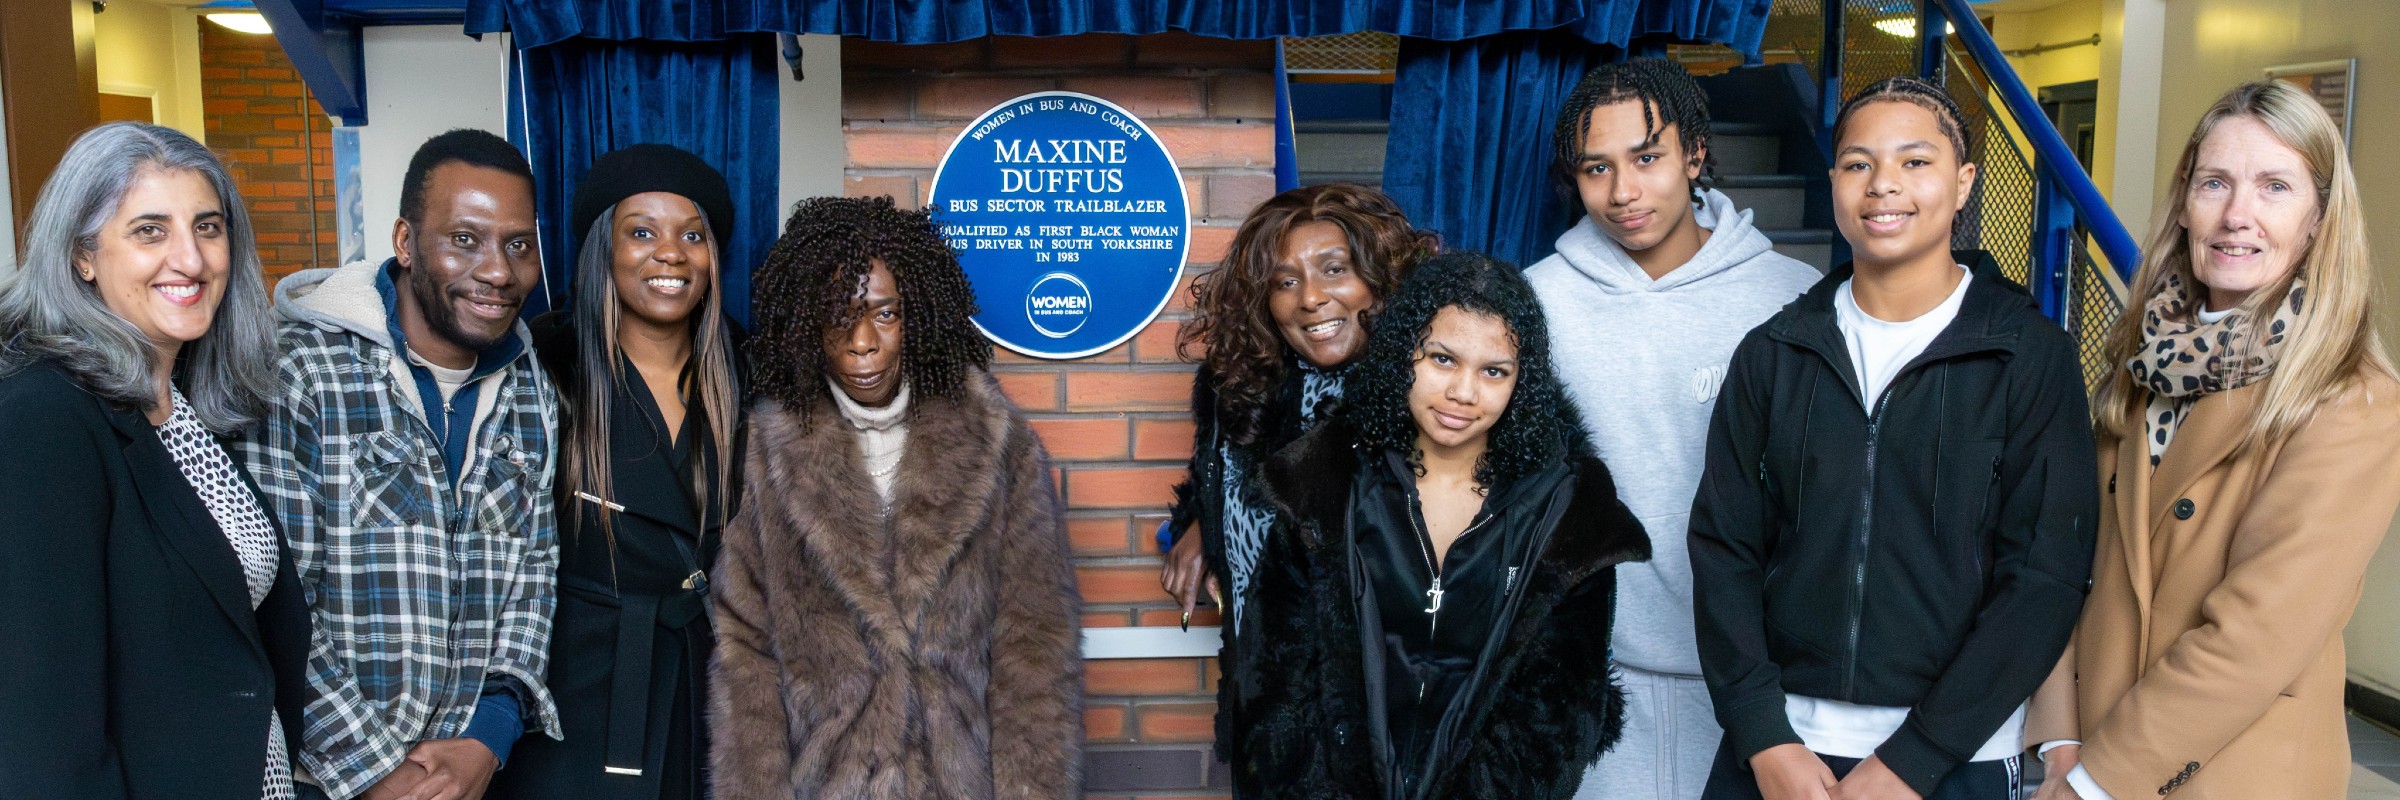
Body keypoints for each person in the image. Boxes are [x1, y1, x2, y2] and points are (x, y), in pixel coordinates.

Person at [1689, 76, 2098, 800]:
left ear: (1964, 181)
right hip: (1785, 754)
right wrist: (1762, 734)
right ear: (1835, 180)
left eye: (1915, 162)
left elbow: (2043, 580)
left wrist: (1916, 756)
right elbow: (1725, 550)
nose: (1884, 186)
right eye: (1857, 164)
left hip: (1954, 757)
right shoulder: (1774, 351)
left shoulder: (2028, 356)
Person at [2024, 79, 2400, 800]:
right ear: (2185, 202)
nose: (2237, 216)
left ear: (2320, 218)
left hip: (2224, 773)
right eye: (2215, 183)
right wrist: (2061, 734)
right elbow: (2071, 560)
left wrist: (2096, 782)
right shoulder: (2142, 362)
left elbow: (2254, 639)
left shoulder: (2352, 401)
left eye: (2275, 187)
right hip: (2088, 750)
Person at [1237, 250, 1651, 799]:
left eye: (1494, 371)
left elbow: (1559, 714)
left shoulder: (1568, 512)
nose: (1464, 392)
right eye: (1442, 359)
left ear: (1521, 382)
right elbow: (1276, 680)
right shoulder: (1324, 482)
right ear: (1404, 353)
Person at [710, 195, 1082, 799]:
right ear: (806, 326)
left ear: (919, 317)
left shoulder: (997, 442)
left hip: (961, 781)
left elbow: (1034, 643)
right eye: (839, 316)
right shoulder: (768, 453)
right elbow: (745, 649)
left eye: (885, 315)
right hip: (827, 784)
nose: (862, 342)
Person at [1527, 57, 1822, 800]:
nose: (1623, 192)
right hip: (1592, 676)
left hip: (1759, 687)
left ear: (1694, 153)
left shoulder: (1794, 301)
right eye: (1597, 168)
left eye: (1647, 157)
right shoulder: (1536, 305)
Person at [239, 128, 561, 800]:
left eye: (518, 244)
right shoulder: (295, 372)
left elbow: (534, 570)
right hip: (321, 778)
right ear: (406, 243)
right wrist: (379, 775)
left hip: (469, 777)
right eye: (465, 239)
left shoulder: (532, 386)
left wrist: (489, 736)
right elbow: (278, 601)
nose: (499, 271)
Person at [0, 122, 305, 799]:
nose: (191, 260)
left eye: (208, 227)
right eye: (149, 231)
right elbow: (43, 731)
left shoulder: (182, 405)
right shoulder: (42, 419)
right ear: (83, 254)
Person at [1153, 183, 1435, 787]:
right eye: (1284, 282)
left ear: (1381, 276)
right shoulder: (1242, 390)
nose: (1311, 299)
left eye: (1335, 270)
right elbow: (1242, 494)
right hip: (1269, 724)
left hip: (1389, 739)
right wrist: (1202, 523)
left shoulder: (1429, 399)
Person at [488, 144, 743, 800]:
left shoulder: (756, 373)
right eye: (641, 232)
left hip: (718, 689)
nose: (670, 253)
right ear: (605, 248)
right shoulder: (542, 364)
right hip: (578, 688)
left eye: (693, 235)